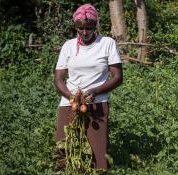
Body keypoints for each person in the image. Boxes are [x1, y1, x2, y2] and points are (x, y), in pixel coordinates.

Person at [54, 3, 123, 171]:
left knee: (97, 155)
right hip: (70, 103)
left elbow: (118, 77)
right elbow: (58, 79)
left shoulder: (107, 43)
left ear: (95, 25)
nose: (84, 32)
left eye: (89, 28)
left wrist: (95, 91)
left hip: (97, 103)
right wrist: (71, 97)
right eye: (80, 28)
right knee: (64, 149)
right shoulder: (68, 46)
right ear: (76, 26)